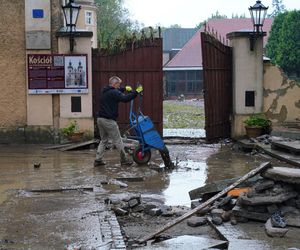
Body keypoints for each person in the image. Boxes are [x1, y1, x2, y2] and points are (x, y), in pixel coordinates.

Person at [94, 76, 143, 167]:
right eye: (118, 84)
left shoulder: (105, 91)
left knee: (104, 140)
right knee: (118, 140)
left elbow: (116, 92)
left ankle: (98, 160)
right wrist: (136, 92)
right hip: (108, 120)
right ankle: (124, 160)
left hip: (100, 119)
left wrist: (124, 89)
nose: (119, 86)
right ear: (114, 84)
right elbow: (125, 99)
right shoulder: (113, 92)